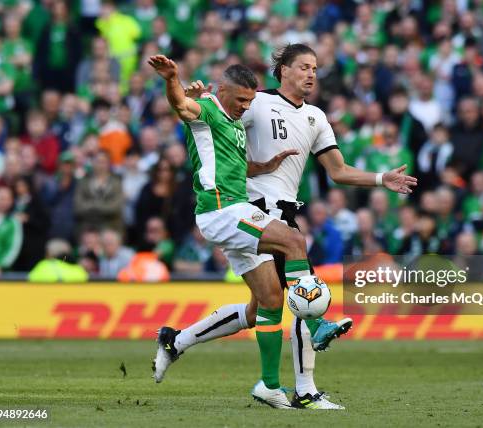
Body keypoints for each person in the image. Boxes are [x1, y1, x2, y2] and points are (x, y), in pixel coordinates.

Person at [165, 44, 417, 410]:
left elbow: (338, 171)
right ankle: (306, 388)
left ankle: (178, 341)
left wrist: (381, 179)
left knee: (263, 307)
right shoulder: (256, 102)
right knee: (305, 292)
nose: (311, 74)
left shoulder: (316, 117)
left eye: (315, 67)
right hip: (252, 210)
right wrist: (202, 99)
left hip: (281, 212)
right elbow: (219, 136)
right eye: (303, 66)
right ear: (283, 69)